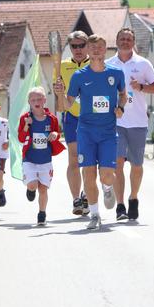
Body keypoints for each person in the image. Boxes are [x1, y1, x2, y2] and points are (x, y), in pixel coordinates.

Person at [55, 34, 126, 230]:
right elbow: (66, 105)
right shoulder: (79, 76)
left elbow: (123, 94)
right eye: (92, 47)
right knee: (88, 173)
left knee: (107, 175)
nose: (96, 50)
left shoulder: (116, 73)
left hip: (108, 132)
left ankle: (108, 187)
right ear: (89, 50)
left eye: (100, 47)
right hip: (85, 130)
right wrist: (60, 93)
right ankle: (95, 214)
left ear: (105, 50)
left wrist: (121, 108)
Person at [105, 28, 154, 221]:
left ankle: (133, 198)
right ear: (117, 41)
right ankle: (120, 206)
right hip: (116, 122)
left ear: (133, 42)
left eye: (128, 39)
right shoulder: (107, 64)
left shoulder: (143, 64)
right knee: (117, 164)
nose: (125, 42)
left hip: (137, 122)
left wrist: (141, 87)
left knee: (136, 164)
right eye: (122, 39)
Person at [17, 87, 65, 226]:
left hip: (45, 159)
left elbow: (56, 132)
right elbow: (21, 138)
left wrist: (56, 135)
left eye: (39, 99)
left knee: (43, 188)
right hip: (30, 159)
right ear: (29, 102)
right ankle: (30, 189)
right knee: (33, 185)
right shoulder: (25, 118)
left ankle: (42, 213)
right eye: (33, 100)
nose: (36, 102)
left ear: (44, 100)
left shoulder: (51, 119)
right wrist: (27, 125)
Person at [55, 31, 91, 216]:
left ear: (87, 45)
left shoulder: (95, 64)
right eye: (74, 46)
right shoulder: (62, 65)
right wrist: (58, 91)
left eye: (81, 45)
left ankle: (87, 194)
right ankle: (76, 198)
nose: (78, 49)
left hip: (93, 118)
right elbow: (60, 102)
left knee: (90, 160)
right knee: (74, 158)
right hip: (72, 117)